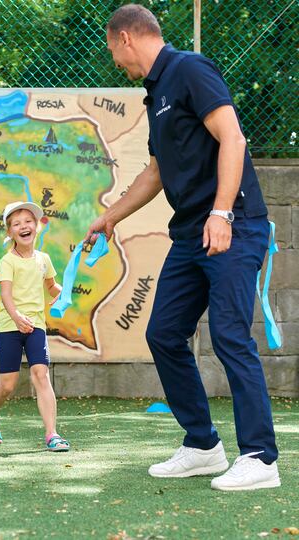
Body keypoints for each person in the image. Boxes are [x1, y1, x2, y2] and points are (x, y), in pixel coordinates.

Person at [85, 4, 280, 490]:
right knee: (164, 333)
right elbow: (155, 172)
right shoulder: (156, 94)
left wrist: (222, 213)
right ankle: (203, 445)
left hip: (232, 226)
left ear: (125, 38)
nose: (115, 62)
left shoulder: (189, 69)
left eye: (113, 49)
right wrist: (110, 217)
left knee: (231, 336)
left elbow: (232, 138)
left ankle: (260, 457)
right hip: (190, 233)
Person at [0, 201, 70, 452]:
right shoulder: (7, 261)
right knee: (8, 385)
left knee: (41, 375)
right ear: (10, 233)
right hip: (10, 326)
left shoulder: (44, 259)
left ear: (38, 226)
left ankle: (52, 434)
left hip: (36, 327)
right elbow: (6, 295)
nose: (23, 226)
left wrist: (60, 292)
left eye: (28, 221)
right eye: (16, 224)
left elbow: (51, 286)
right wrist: (17, 316)